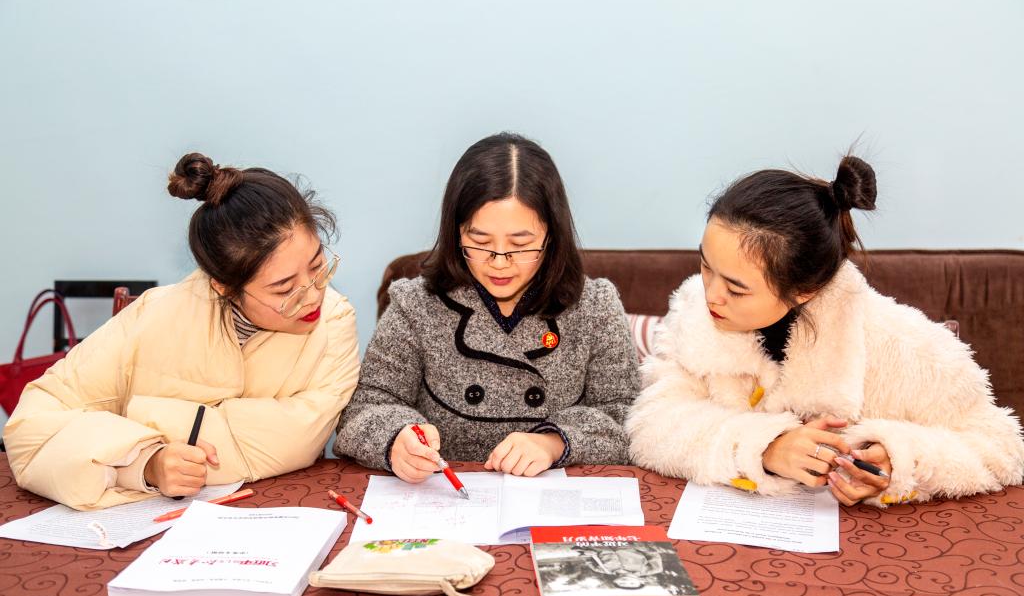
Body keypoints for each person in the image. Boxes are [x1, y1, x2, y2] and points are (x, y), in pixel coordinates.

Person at [626, 155, 1024, 507]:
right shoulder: (693, 314)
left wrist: (901, 462)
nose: (711, 294)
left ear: (805, 290)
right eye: (705, 265)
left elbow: (1001, 446)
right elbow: (652, 425)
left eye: (736, 288)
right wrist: (764, 446)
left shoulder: (902, 344)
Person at [3, 153, 360, 510]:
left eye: (318, 266)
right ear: (224, 287)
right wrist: (145, 462)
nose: (314, 295)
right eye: (284, 289)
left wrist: (142, 416)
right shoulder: (154, 315)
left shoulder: (334, 320)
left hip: (285, 512)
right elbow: (30, 429)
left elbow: (295, 442)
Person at [335, 133, 639, 481]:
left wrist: (555, 442)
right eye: (479, 241)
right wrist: (396, 440)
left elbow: (626, 416)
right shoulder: (415, 304)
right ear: (456, 232)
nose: (499, 262)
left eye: (520, 244)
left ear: (551, 236)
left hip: (552, 499)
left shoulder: (595, 308)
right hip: (441, 496)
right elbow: (366, 406)